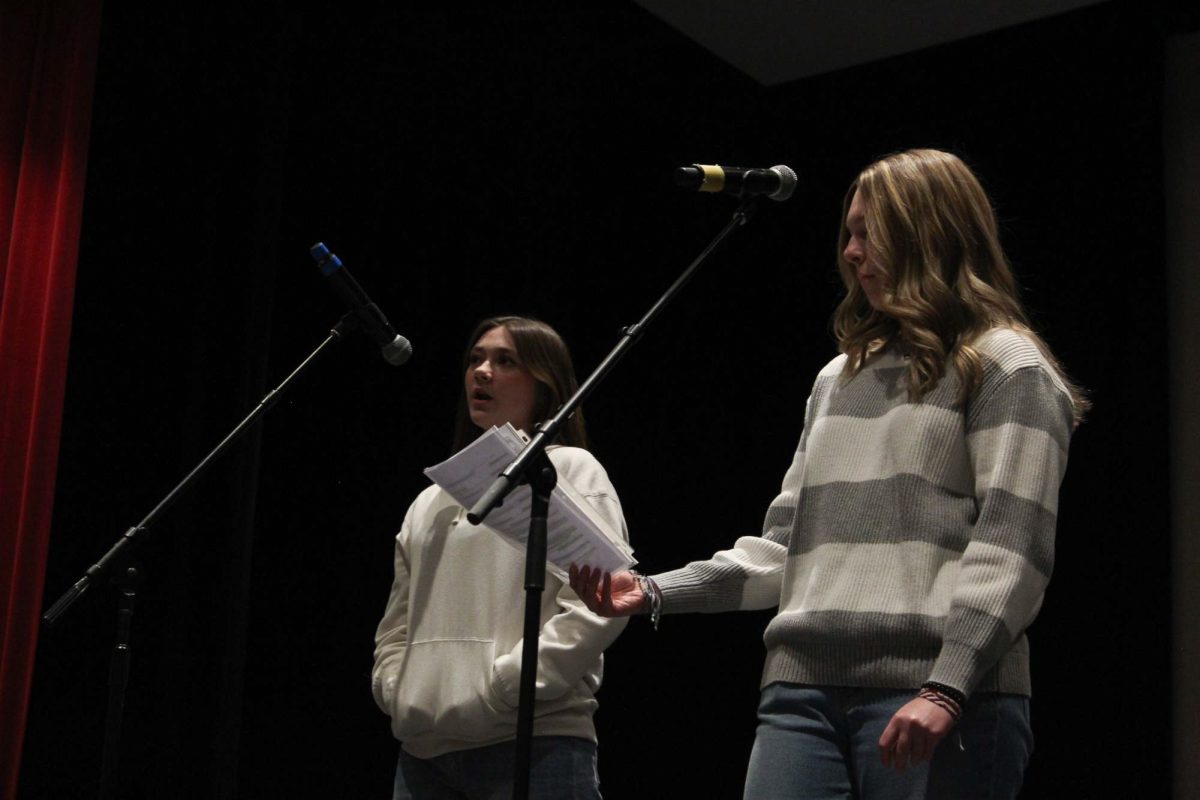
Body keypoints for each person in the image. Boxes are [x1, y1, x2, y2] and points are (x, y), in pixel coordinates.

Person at [570, 149, 1088, 799]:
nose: (849, 251)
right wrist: (653, 591)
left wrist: (948, 685)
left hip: (936, 695)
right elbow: (786, 549)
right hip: (800, 696)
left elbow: (1013, 547)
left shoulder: (1005, 366)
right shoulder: (838, 378)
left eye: (869, 232)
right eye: (848, 232)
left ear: (927, 234)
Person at [373, 315, 630, 800]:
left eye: (504, 361)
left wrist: (509, 686)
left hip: (535, 744)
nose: (482, 372)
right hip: (423, 755)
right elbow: (397, 624)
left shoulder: (569, 469)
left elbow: (601, 599)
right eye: (475, 359)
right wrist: (398, 688)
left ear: (546, 383)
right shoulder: (429, 500)